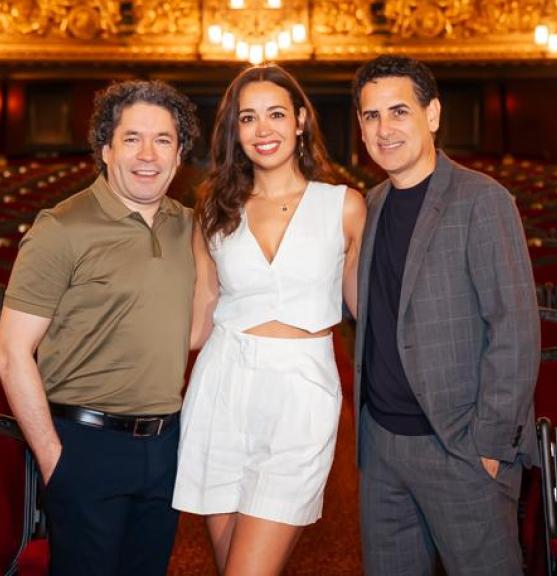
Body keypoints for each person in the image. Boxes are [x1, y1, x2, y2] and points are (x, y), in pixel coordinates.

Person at [0, 80, 200, 576]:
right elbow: (10, 352)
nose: (147, 154)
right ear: (106, 149)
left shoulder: (192, 226)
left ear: (179, 154)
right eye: (132, 139)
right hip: (85, 445)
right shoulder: (61, 228)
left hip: (166, 442)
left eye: (163, 140)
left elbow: (193, 330)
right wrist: (54, 459)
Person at [172, 64, 366, 575]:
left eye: (276, 114)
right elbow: (199, 320)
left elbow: (371, 312)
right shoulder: (214, 206)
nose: (263, 130)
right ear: (235, 131)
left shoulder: (343, 206)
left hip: (302, 391)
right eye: (248, 118)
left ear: (301, 120)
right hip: (221, 385)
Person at [352, 55, 540, 576]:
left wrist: (490, 444)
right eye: (370, 116)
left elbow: (516, 330)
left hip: (459, 446)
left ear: (432, 114)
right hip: (382, 446)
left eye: (398, 112)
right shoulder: (368, 205)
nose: (384, 129)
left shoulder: (483, 200)